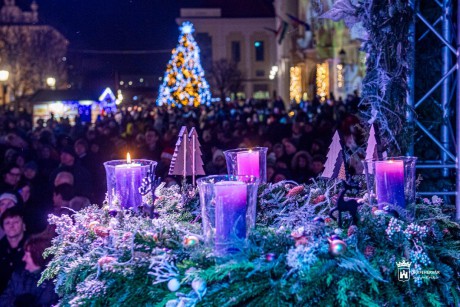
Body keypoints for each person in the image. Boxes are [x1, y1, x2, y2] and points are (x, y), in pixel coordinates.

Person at [0, 235, 58, 306]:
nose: (23, 259)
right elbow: (3, 300)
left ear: (37, 256)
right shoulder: (18, 276)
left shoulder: (52, 282)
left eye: (27, 255)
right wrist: (15, 303)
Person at [0, 207, 27, 293]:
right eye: (7, 223)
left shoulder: (33, 246)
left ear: (23, 224)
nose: (11, 226)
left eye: (16, 222)